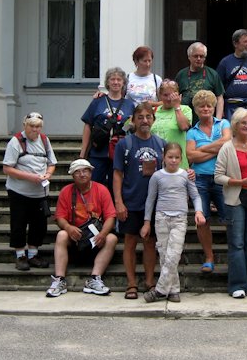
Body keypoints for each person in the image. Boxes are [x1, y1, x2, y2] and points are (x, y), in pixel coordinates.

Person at [113, 103, 165, 299]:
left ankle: (149, 281)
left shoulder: (161, 144)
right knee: (130, 241)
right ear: (133, 120)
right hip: (131, 202)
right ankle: (131, 283)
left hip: (154, 204)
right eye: (140, 117)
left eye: (148, 117)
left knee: (150, 243)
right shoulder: (124, 144)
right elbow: (117, 174)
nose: (144, 120)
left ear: (153, 120)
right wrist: (118, 202)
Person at [45, 159, 118, 298]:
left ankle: (95, 278)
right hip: (76, 237)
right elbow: (60, 217)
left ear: (91, 172)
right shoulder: (67, 191)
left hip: (96, 238)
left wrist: (103, 233)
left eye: (85, 170)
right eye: (77, 172)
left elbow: (110, 217)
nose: (82, 174)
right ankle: (59, 279)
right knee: (61, 235)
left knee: (112, 238)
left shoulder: (101, 189)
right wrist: (68, 227)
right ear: (73, 176)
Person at [142, 143, 204, 304]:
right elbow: (150, 200)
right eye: (170, 157)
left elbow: (196, 196)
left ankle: (159, 290)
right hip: (161, 218)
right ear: (164, 157)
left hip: (180, 219)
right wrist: (146, 222)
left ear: (181, 158)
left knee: (173, 254)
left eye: (177, 157)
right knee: (164, 255)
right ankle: (174, 289)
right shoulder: (157, 176)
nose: (174, 160)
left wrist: (198, 211)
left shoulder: (185, 175)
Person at [215, 108, 247, 299]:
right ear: (235, 126)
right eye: (243, 123)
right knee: (236, 244)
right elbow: (218, 176)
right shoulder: (227, 148)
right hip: (235, 200)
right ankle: (237, 285)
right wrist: (241, 183)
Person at [2, 112, 56, 271]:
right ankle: (20, 256)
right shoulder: (15, 142)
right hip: (19, 192)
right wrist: (29, 177)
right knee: (18, 223)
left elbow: (52, 163)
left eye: (38, 126)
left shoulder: (45, 140)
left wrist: (48, 174)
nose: (35, 129)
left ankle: (33, 254)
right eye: (31, 126)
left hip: (40, 192)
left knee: (39, 225)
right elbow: (7, 168)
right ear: (25, 125)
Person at [186, 89, 232, 273]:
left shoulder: (224, 124)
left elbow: (227, 142)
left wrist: (203, 149)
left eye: (208, 105)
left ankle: (233, 256)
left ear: (214, 107)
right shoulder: (192, 132)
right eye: (201, 106)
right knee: (202, 219)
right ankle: (209, 257)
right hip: (200, 180)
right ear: (196, 109)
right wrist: (217, 147)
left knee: (229, 218)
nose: (205, 108)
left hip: (222, 177)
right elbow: (190, 156)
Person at [80, 67, 135, 190]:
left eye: (119, 79)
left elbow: (133, 129)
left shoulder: (129, 105)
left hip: (119, 152)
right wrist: (83, 151)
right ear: (107, 82)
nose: (116, 82)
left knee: (116, 187)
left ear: (123, 83)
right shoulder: (98, 101)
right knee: (94, 185)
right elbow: (88, 125)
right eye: (112, 79)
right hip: (98, 152)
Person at [216, 28, 247, 119]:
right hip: (231, 108)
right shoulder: (225, 63)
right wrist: (220, 109)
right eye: (245, 41)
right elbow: (219, 88)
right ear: (235, 43)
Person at [175, 41, 225, 120]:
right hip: (185, 119)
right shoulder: (181, 75)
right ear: (189, 57)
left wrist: (218, 120)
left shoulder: (213, 74)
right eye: (195, 56)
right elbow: (175, 98)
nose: (198, 59)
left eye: (201, 56)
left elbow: (220, 97)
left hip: (207, 119)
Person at [151, 79, 193, 168]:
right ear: (160, 96)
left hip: (177, 163)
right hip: (157, 162)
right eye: (165, 95)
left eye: (172, 95)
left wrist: (177, 106)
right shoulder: (154, 111)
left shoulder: (185, 109)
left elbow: (184, 126)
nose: (169, 98)